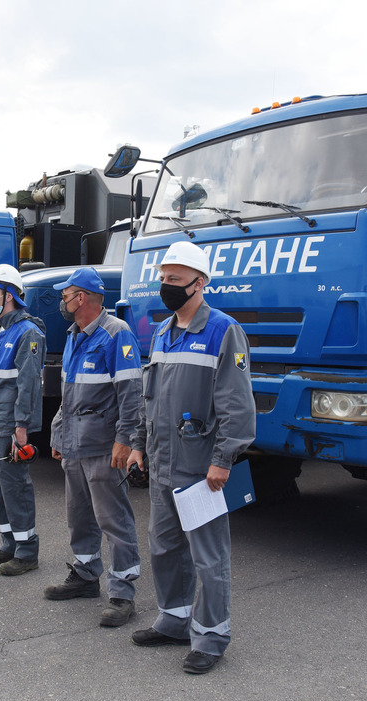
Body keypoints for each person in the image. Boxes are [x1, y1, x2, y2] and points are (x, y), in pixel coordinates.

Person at [127, 241, 255, 675]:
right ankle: (174, 619)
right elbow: (151, 398)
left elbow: (237, 405)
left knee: (208, 556)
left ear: (199, 284)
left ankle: (212, 635)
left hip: (201, 468)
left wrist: (223, 459)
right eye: (163, 279)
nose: (166, 287)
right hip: (163, 462)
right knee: (164, 546)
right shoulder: (163, 332)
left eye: (175, 281)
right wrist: (140, 445)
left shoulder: (223, 330)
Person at [45, 267, 143, 626]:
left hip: (103, 446)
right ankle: (85, 575)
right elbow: (68, 393)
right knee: (79, 515)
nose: (62, 300)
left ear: (81, 298)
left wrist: (125, 440)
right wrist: (59, 436)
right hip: (75, 445)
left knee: (114, 520)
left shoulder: (117, 334)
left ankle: (123, 592)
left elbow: (131, 393)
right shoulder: (74, 335)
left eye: (66, 294)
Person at [0, 265, 45, 575]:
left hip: (10, 424)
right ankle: (9, 543)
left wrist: (21, 429)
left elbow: (28, 385)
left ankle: (27, 551)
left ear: (9, 296)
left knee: (15, 487)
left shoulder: (28, 332)